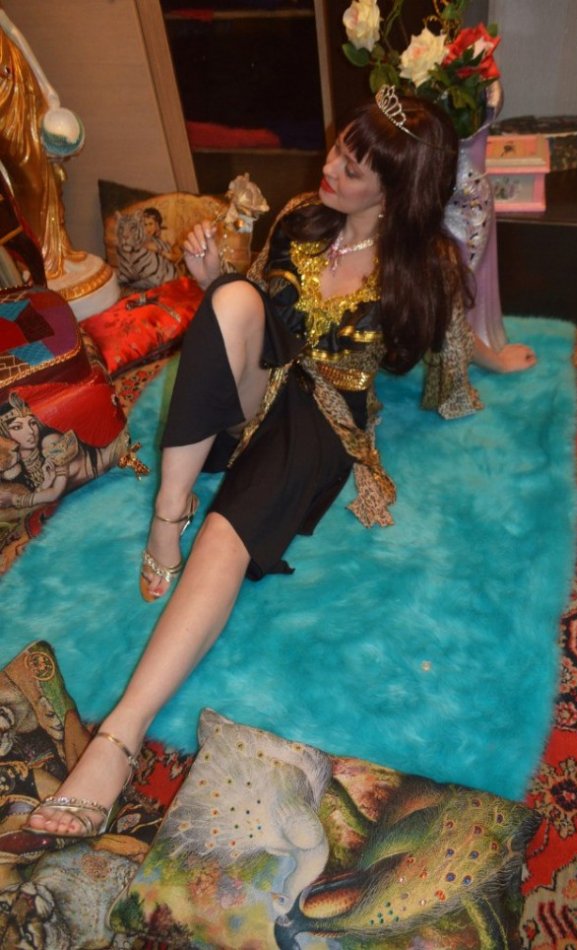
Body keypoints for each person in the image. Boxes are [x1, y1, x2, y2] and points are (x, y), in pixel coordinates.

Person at [25, 87, 535, 839]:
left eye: (354, 169)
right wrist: (214, 282)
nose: (330, 168)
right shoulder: (302, 215)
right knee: (233, 299)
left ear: (395, 192)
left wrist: (493, 356)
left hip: (319, 418)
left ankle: (118, 739)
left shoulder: (421, 268)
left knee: (230, 530)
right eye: (338, 148)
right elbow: (257, 313)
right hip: (247, 393)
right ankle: (168, 515)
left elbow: (450, 350)